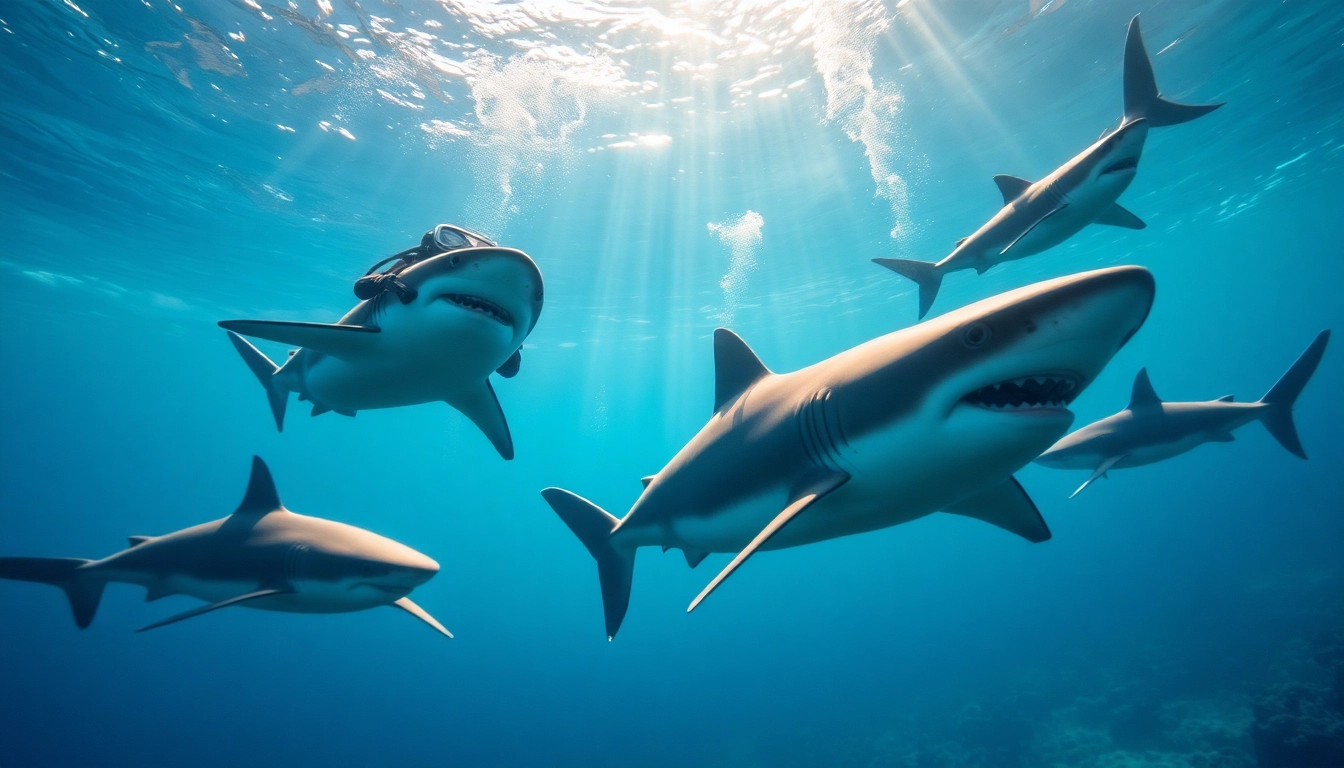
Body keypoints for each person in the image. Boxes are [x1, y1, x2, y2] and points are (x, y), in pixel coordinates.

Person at [354, 224, 496, 303]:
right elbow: (361, 289)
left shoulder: (478, 280)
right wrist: (383, 282)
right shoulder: (409, 264)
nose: (467, 251)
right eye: (451, 239)